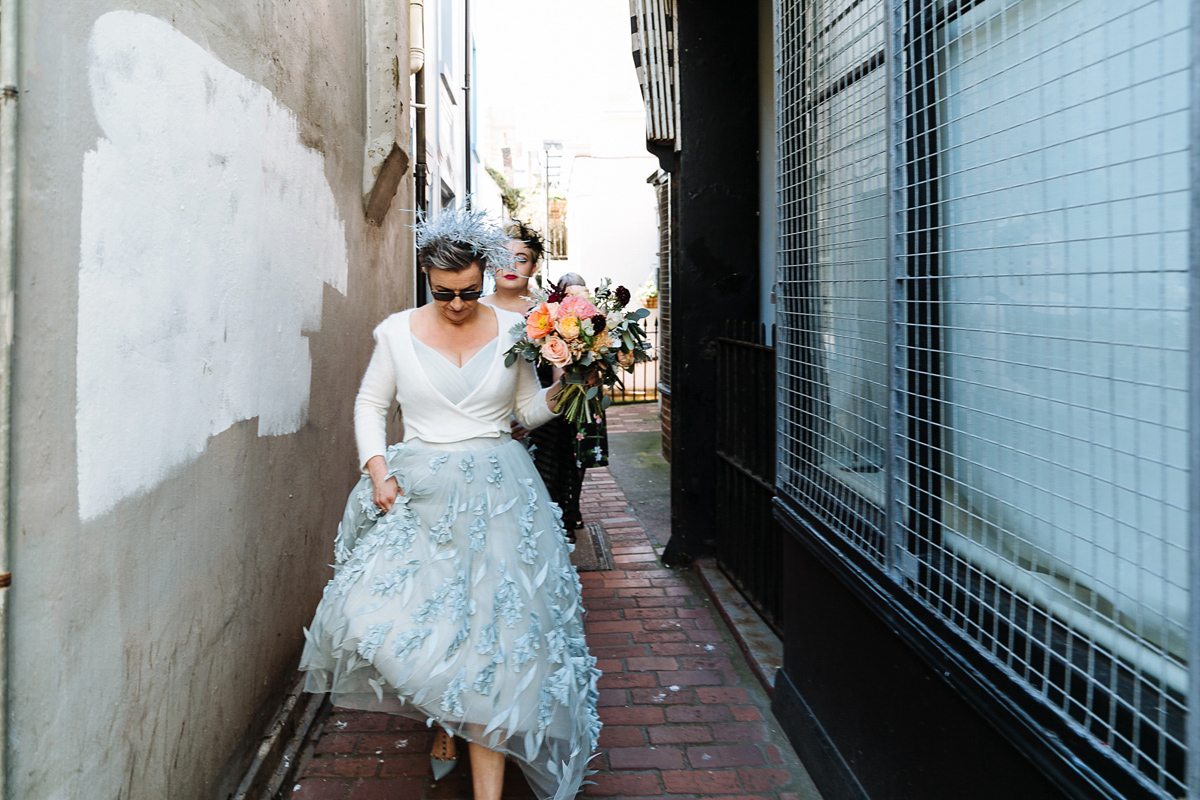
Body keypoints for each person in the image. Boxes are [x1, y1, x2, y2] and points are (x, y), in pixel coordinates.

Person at [300, 208, 602, 800]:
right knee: (406, 623)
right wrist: (378, 469)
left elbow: (524, 413)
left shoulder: (515, 332)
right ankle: (445, 717)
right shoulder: (395, 332)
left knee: (496, 638)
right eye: (444, 293)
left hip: (501, 493)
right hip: (420, 492)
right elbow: (368, 406)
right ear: (426, 276)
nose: (458, 304)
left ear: (483, 277)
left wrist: (568, 385)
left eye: (468, 292)